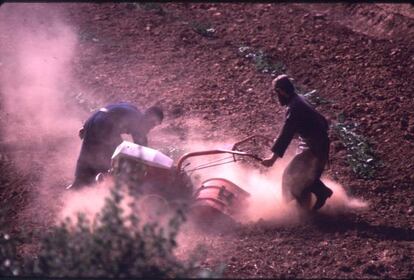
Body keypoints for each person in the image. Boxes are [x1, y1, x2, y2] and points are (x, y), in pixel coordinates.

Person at [261, 74, 333, 210]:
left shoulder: (294, 108)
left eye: (277, 93)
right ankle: (318, 195)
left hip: (314, 148)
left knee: (291, 176)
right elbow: (317, 123)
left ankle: (308, 207)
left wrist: (272, 159)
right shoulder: (300, 99)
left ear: (281, 91)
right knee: (303, 176)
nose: (277, 97)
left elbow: (286, 135)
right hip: (318, 144)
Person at [67, 102, 164, 189]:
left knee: (88, 154)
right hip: (104, 126)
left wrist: (86, 126)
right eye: (153, 124)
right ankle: (106, 186)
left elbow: (106, 110)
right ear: (149, 118)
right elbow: (141, 147)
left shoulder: (132, 109)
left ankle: (78, 184)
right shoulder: (137, 120)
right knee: (117, 157)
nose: (152, 128)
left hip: (93, 121)